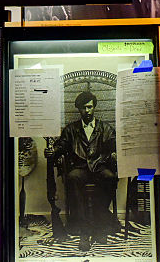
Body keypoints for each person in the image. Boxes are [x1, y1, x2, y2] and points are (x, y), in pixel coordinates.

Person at [47, 91, 118, 252]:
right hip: (80, 168)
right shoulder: (71, 129)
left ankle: (100, 224)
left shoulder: (105, 128)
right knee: (72, 178)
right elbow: (61, 146)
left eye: (90, 107)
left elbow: (116, 145)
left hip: (99, 167)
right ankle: (84, 232)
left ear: (94, 108)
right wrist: (53, 151)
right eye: (84, 108)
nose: (87, 111)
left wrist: (116, 153)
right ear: (79, 109)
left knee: (110, 177)